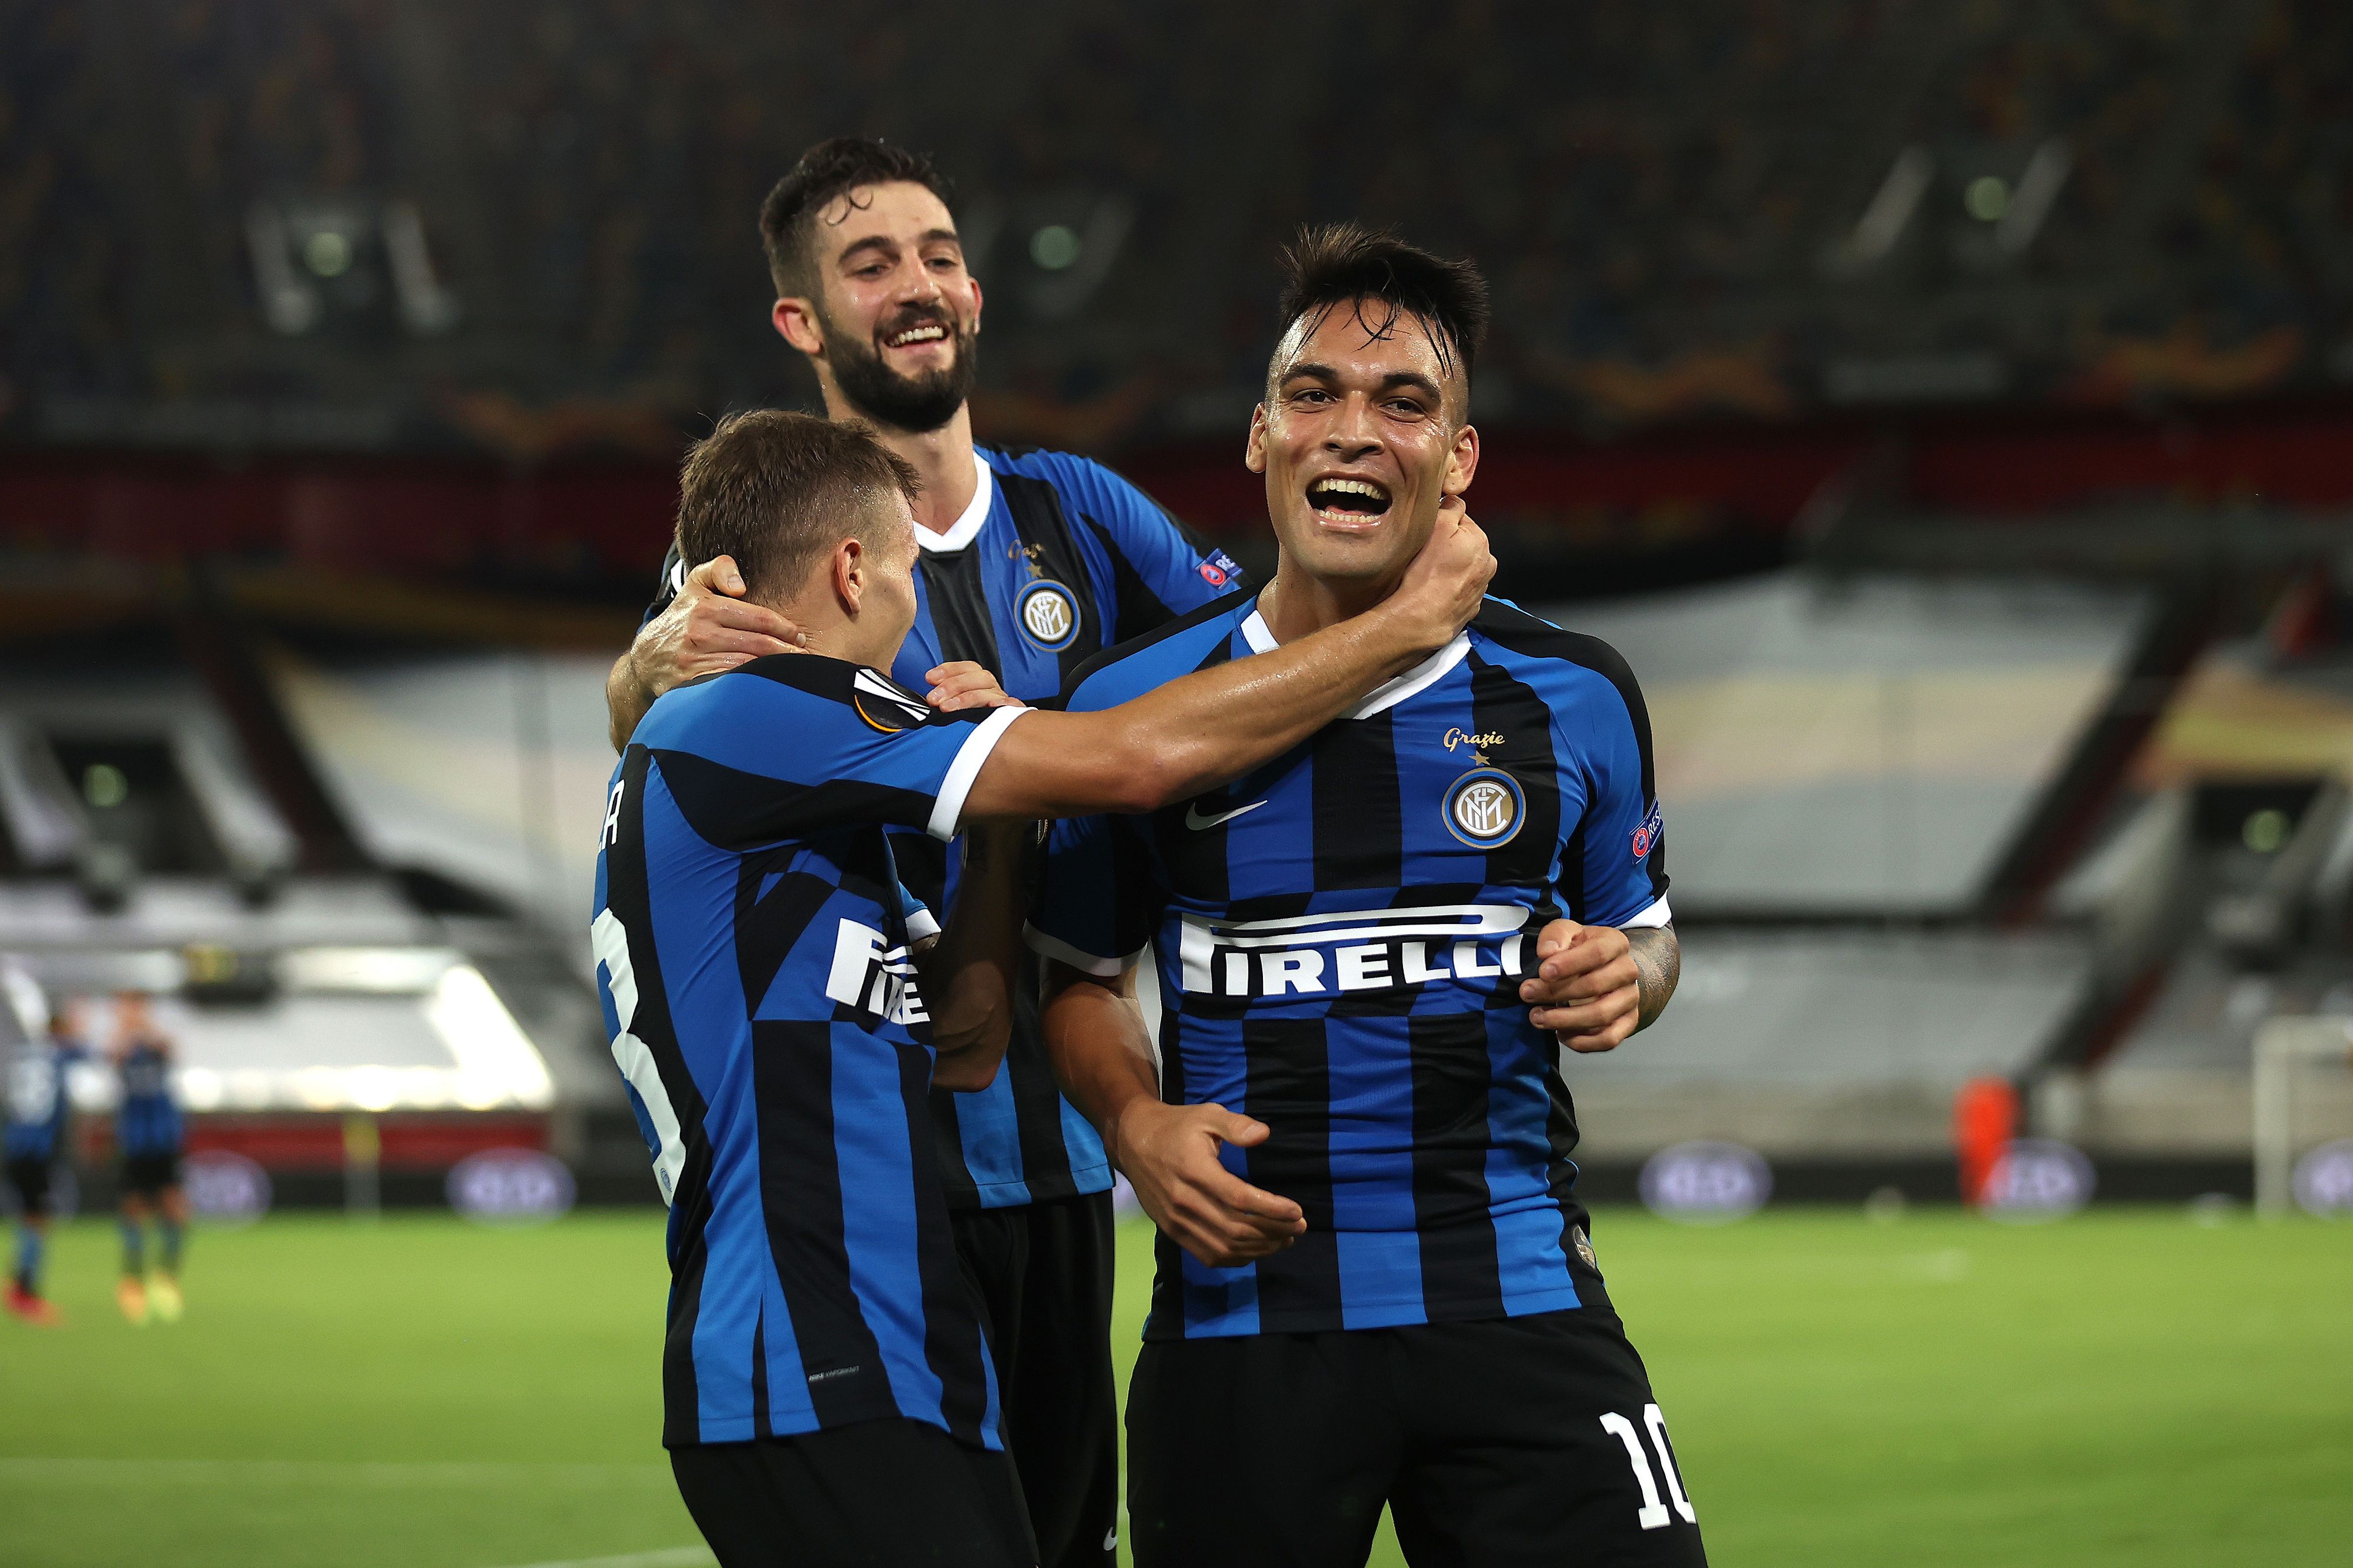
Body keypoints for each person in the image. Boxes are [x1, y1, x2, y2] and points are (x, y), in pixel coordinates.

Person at [592, 408, 1492, 1568]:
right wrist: (1406, 625)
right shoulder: (763, 714)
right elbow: (1136, 762)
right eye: (908, 574)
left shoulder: (797, 810)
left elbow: (968, 1038)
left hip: (886, 1351)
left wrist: (1003, 824)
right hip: (807, 1351)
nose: (914, 606)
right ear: (852, 569)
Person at [606, 135, 1250, 1568]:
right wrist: (635, 668)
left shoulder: (1082, 511)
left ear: (974, 291)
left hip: (1055, 1152)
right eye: (870, 263)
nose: (917, 285)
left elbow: (1247, 675)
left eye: (939, 255)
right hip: (864, 1182)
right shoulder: (751, 561)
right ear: (800, 320)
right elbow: (661, 749)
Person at [1032, 225, 1705, 1567]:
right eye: (1313, 393)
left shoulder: (1572, 691)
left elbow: (1646, 931)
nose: (1352, 429)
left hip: (1517, 1293)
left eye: (1403, 402)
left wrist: (1628, 976)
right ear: (1259, 437)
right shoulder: (1132, 704)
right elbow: (1080, 976)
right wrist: (1133, 1120)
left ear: (1458, 459)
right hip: (1243, 1321)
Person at [5, 997, 89, 1327]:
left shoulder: (23, 1055)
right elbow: (88, 1053)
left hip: (15, 1144)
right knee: (37, 1220)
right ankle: (25, 1292)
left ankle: (18, 1283)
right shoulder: (58, 1054)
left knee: (30, 1218)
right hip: (37, 1150)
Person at [111, 992, 187, 1326]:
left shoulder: (157, 1044)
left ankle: (166, 1277)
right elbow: (113, 1055)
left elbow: (169, 1048)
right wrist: (128, 1029)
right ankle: (133, 1281)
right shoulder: (123, 1046)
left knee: (175, 1208)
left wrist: (143, 1026)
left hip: (164, 1138)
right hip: (134, 1140)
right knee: (134, 1210)